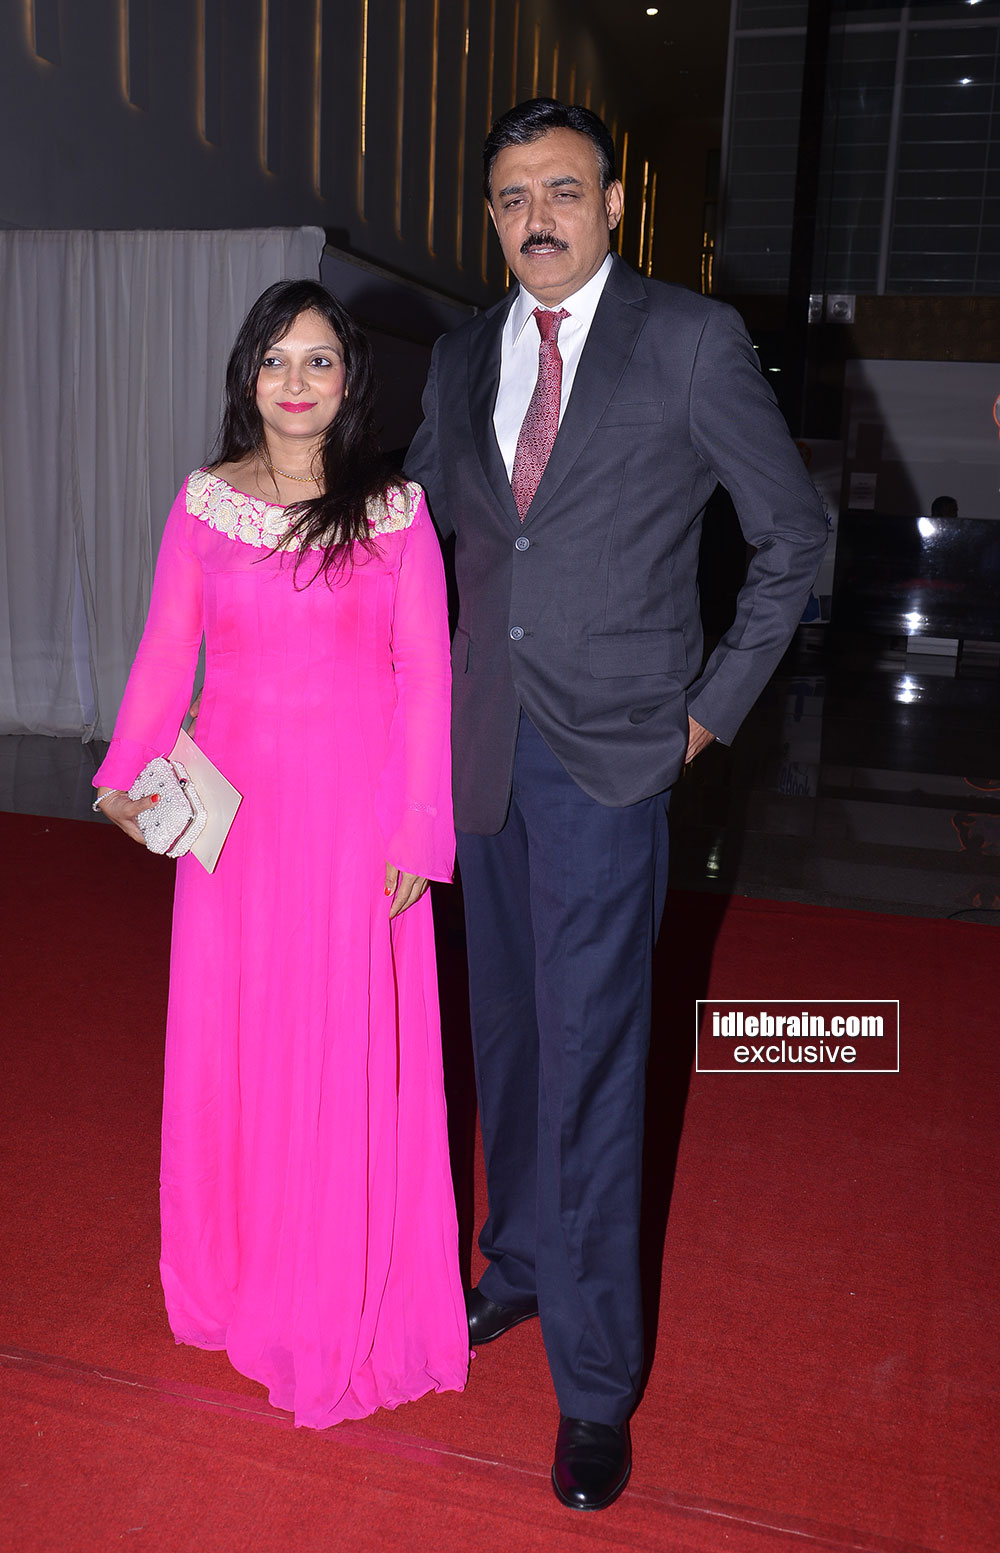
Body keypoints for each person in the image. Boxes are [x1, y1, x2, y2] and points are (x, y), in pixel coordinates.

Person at [405, 99, 827, 1510]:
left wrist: (706, 711)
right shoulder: (463, 353)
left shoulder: (689, 341)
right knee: (510, 1040)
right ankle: (519, 1262)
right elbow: (416, 542)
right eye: (511, 196)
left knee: (591, 1064)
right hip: (481, 756)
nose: (537, 217)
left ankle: (594, 1385)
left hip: (611, 764)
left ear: (613, 203)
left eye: (562, 190)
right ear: (490, 217)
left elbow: (792, 537)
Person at [94, 279, 468, 1426]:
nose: (296, 382)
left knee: (339, 1051)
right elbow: (167, 653)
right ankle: (237, 1271)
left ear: (350, 379)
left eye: (318, 359)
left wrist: (417, 828)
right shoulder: (204, 502)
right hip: (238, 835)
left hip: (356, 829)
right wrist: (123, 772)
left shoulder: (394, 510)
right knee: (241, 1046)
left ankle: (333, 1287)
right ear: (246, 375)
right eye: (275, 359)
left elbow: (426, 679)